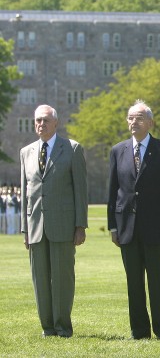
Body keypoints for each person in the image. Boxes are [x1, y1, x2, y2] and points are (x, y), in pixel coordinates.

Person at [107, 100, 160, 340]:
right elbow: (113, 191)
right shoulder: (118, 150)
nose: (133, 122)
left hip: (156, 229)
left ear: (150, 122)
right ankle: (139, 331)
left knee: (158, 281)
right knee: (133, 283)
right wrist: (113, 226)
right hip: (127, 227)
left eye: (138, 118)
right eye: (130, 118)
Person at [20, 104, 88, 337]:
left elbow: (81, 190)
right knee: (39, 279)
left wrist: (80, 226)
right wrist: (25, 229)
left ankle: (62, 326)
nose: (41, 124)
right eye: (38, 120)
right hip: (36, 227)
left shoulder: (72, 149)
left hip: (64, 226)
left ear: (56, 123)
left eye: (46, 120)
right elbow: (25, 194)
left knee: (62, 278)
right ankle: (47, 327)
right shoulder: (26, 152)